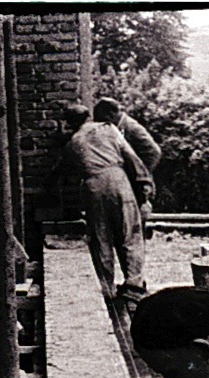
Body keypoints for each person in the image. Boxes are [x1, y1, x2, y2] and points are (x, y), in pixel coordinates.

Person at [58, 102, 153, 301]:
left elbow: (66, 173)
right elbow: (131, 157)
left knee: (101, 238)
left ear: (70, 123)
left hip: (93, 187)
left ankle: (107, 289)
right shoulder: (109, 129)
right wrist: (145, 186)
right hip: (119, 181)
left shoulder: (73, 142)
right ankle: (134, 287)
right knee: (131, 234)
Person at [93, 97, 160, 240]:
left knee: (135, 224)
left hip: (135, 183)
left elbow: (154, 152)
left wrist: (140, 175)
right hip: (123, 181)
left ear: (110, 115)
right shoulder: (116, 127)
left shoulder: (131, 127)